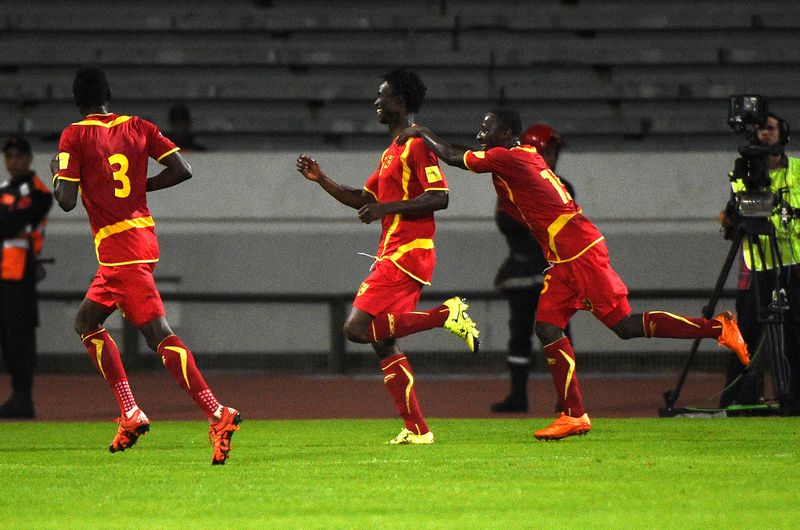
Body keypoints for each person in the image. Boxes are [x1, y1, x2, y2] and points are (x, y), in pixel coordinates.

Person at [400, 107, 750, 439]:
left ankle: (718, 327)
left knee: (624, 327)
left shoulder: (508, 156)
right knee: (548, 325)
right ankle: (574, 413)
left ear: (507, 134)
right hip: (564, 255)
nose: (480, 133)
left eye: (487, 128)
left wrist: (421, 132)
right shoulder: (516, 160)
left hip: (578, 252)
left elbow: (451, 156)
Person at [50, 66, 240, 464]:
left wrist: (57, 175)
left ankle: (217, 412)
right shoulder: (139, 125)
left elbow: (66, 200)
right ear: (109, 94)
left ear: (77, 102)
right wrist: (142, 185)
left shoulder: (74, 134)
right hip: (139, 240)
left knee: (159, 336)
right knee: (86, 322)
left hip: (121, 251)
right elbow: (183, 169)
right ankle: (130, 411)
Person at [295, 68, 480, 445]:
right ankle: (417, 430)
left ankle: (446, 314)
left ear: (399, 102)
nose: (375, 102)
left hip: (408, 252)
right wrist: (322, 179)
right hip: (393, 253)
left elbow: (439, 197)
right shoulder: (390, 152)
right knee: (383, 341)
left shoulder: (415, 145)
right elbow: (363, 200)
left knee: (356, 329)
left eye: (382, 96)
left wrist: (387, 209)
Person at [719, 112, 800, 413]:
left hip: (793, 263)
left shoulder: (798, 171)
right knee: (748, 334)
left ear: (783, 133)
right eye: (760, 129)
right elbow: (736, 217)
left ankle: (794, 397)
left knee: (794, 333)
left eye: (771, 128)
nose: (765, 133)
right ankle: (739, 398)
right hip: (757, 266)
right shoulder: (742, 173)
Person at [491, 124, 574, 413]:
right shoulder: (511, 184)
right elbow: (506, 222)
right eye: (549, 150)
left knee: (559, 333)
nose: (554, 157)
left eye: (555, 151)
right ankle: (517, 395)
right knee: (519, 334)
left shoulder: (562, 185)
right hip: (523, 271)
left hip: (554, 270)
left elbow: (566, 228)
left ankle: (566, 399)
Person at [0, 136, 52, 419]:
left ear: (29, 158)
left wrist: (8, 221)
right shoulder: (7, 189)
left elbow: (11, 223)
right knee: (8, 340)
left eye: (18, 156)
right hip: (5, 273)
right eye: (9, 156)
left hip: (19, 273)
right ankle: (18, 397)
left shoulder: (40, 193)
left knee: (19, 338)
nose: (13, 161)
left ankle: (23, 398)